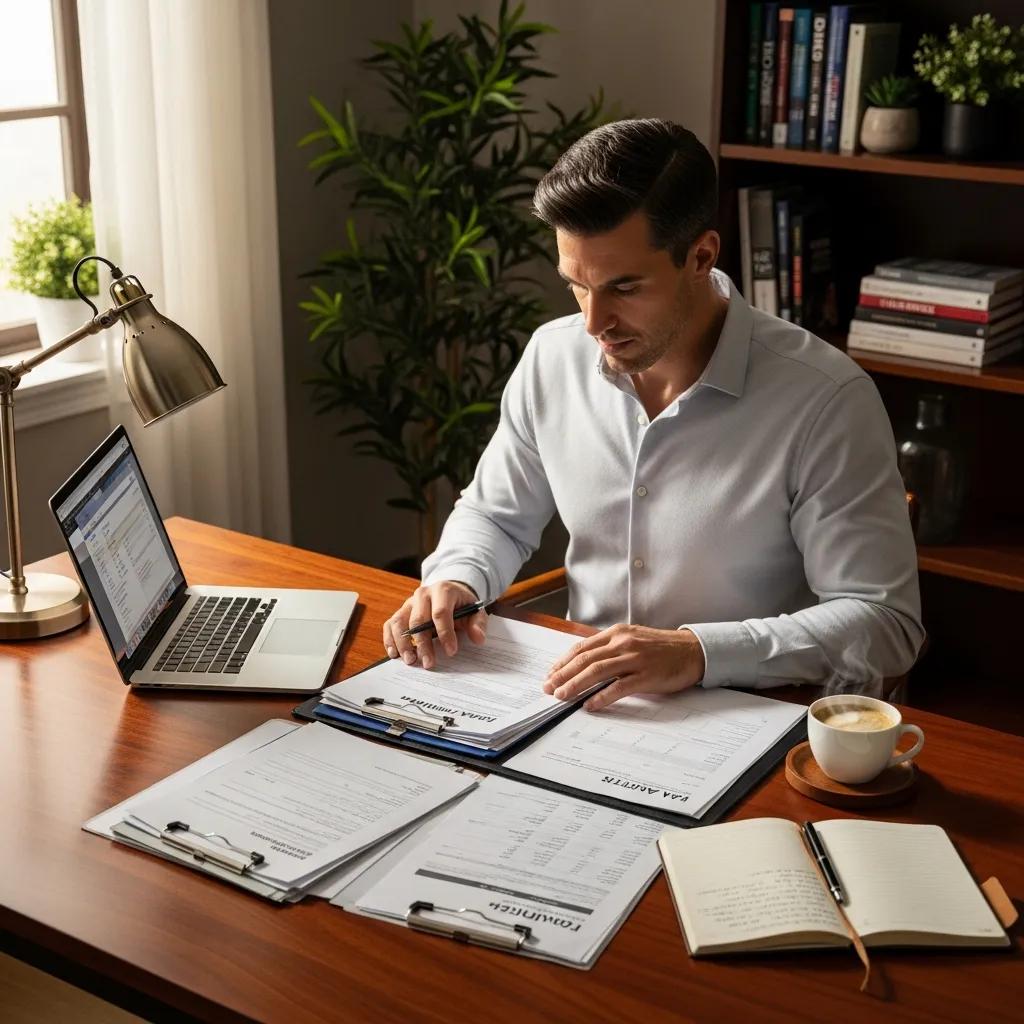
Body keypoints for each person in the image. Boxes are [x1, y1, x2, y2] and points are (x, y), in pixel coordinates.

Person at [382, 118, 924, 711]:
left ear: (701, 255)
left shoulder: (826, 399)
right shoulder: (551, 356)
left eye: (624, 288)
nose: (593, 323)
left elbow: (885, 622)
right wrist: (456, 579)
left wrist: (699, 653)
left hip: (750, 717)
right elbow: (495, 516)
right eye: (577, 286)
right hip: (573, 707)